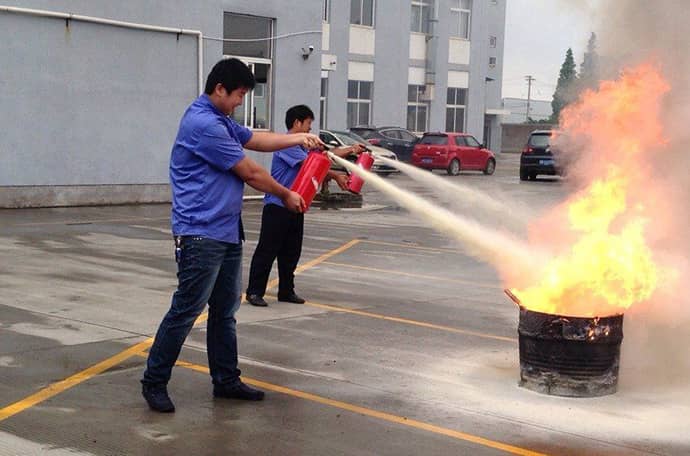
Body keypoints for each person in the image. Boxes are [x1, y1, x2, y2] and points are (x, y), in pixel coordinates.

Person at [141, 59, 323, 413]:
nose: (241, 102)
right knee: (187, 309)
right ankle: (154, 381)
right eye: (239, 94)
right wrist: (286, 194)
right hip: (200, 232)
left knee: (225, 311)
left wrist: (298, 137)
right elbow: (250, 172)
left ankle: (226, 380)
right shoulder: (204, 124)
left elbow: (256, 139)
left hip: (225, 230)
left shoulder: (221, 119)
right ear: (219, 89)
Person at [245, 105, 365, 307]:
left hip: (296, 206)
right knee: (267, 251)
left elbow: (327, 156)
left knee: (291, 252)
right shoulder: (287, 145)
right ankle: (255, 292)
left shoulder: (303, 147)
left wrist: (352, 149)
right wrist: (336, 176)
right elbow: (311, 165)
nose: (310, 129)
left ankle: (286, 291)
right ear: (297, 122)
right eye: (308, 124)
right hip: (277, 206)